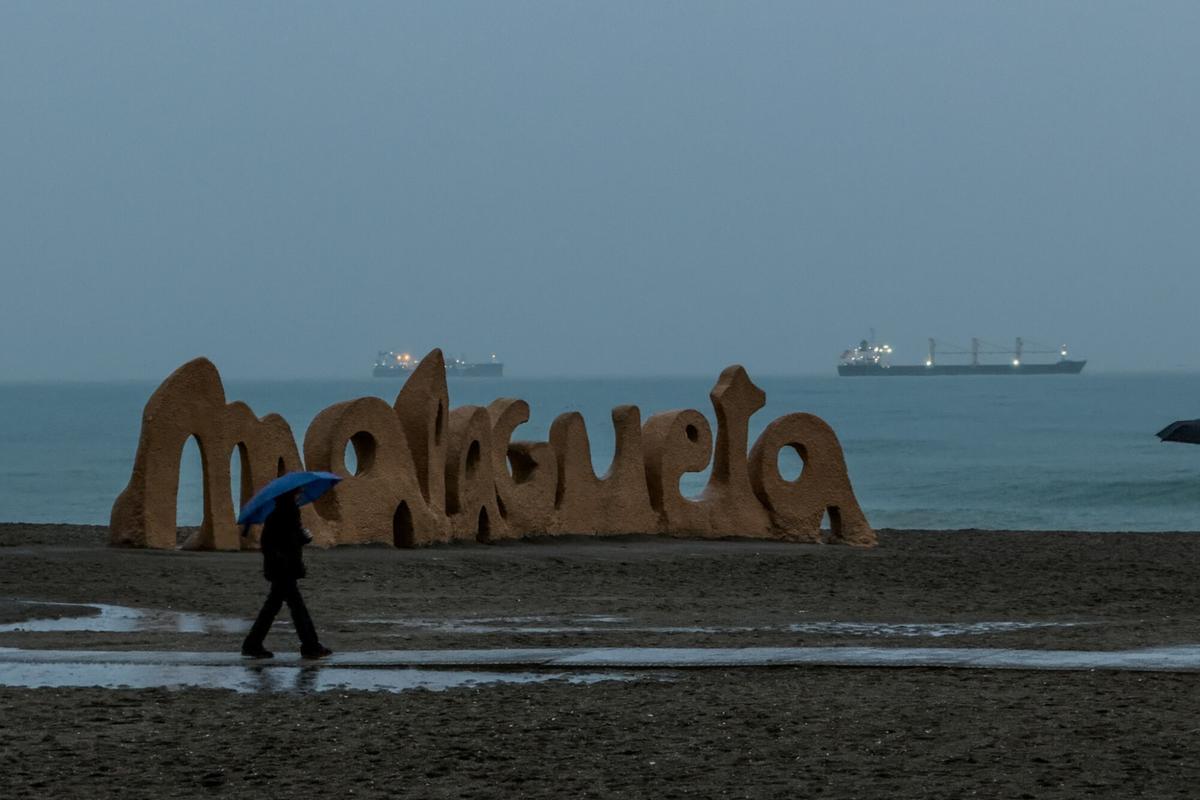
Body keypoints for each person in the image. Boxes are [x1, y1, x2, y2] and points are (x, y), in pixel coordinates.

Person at [241, 490, 332, 659]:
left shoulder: (282, 514)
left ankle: (252, 643)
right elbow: (277, 543)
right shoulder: (284, 514)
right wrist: (297, 543)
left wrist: (301, 538)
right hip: (284, 569)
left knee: (274, 607)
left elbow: (282, 540)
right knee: (296, 608)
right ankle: (310, 646)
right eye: (295, 494)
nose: (298, 496)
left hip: (282, 568)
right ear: (289, 496)